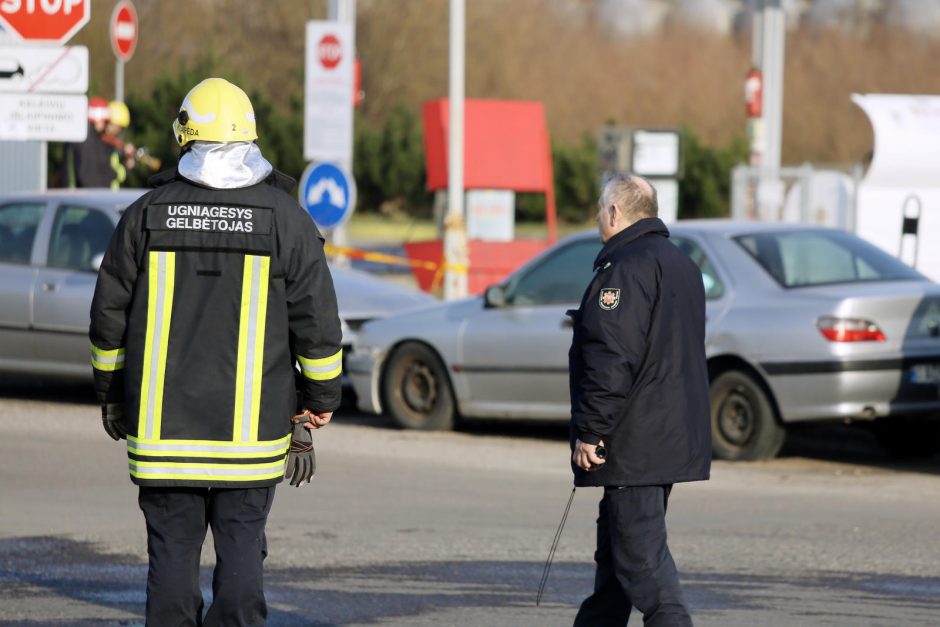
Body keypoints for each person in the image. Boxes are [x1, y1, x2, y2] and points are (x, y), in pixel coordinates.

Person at [89, 77, 343, 625]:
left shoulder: (144, 214)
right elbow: (318, 326)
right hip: (250, 438)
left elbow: (107, 321)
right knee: (243, 555)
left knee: (172, 562)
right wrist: (319, 399)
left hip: (161, 435)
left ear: (185, 135)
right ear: (250, 134)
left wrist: (112, 398)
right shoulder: (287, 220)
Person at [568, 174, 711, 626]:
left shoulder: (626, 268)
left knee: (647, 576)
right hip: (666, 438)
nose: (597, 219)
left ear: (614, 213)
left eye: (599, 210)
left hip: (635, 444)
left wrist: (591, 432)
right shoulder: (681, 264)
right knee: (615, 573)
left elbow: (613, 358)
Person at [60, 97, 114, 188]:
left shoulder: (87, 137)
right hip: (90, 197)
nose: (106, 127)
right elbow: (89, 176)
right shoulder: (88, 141)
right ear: (97, 120)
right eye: (105, 122)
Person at [102, 100, 137, 189]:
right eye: (120, 128)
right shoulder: (101, 145)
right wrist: (124, 170)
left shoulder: (113, 146)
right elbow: (107, 172)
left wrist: (127, 162)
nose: (120, 132)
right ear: (111, 124)